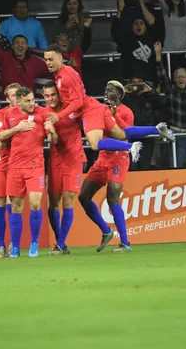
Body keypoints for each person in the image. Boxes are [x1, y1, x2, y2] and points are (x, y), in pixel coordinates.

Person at [43, 44, 173, 159]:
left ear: (60, 58)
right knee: (121, 133)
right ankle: (157, 129)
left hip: (88, 110)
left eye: (51, 59)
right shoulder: (62, 74)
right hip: (93, 106)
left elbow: (77, 102)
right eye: (46, 60)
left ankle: (131, 147)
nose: (48, 63)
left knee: (94, 144)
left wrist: (58, 116)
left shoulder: (66, 76)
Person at [0, 86, 58, 258]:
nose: (32, 103)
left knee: (35, 204)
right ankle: (15, 246)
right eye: (27, 101)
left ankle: (34, 244)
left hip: (35, 166)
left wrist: (52, 131)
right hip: (15, 166)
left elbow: (53, 140)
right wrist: (17, 128)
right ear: (19, 101)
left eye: (32, 100)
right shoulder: (10, 115)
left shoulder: (42, 113)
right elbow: (1, 137)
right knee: (16, 207)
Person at [78, 81, 135, 252]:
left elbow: (125, 134)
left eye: (110, 90)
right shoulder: (101, 110)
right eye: (105, 89)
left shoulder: (126, 112)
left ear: (119, 94)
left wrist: (114, 115)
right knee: (83, 196)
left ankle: (125, 243)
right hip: (103, 157)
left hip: (119, 157)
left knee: (112, 198)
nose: (106, 92)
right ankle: (106, 230)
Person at [42, 82, 86, 255]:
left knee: (68, 199)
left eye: (53, 94)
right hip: (55, 161)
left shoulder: (71, 109)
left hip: (74, 159)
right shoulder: (45, 114)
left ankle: (59, 244)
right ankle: (61, 241)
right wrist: (51, 132)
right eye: (47, 96)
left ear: (59, 94)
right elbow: (52, 141)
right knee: (53, 203)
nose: (50, 98)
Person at [0, 83, 20, 258]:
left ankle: (13, 244)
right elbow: (0, 136)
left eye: (18, 94)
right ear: (7, 98)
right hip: (2, 161)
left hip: (17, 161)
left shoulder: (28, 115)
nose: (16, 98)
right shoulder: (0, 114)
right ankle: (1, 245)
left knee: (12, 202)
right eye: (13, 95)